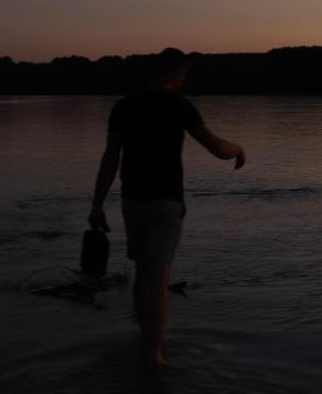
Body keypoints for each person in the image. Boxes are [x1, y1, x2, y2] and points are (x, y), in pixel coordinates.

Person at [88, 47, 247, 369]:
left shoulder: (124, 106)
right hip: (166, 201)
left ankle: (144, 339)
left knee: (143, 273)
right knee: (159, 278)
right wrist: (239, 149)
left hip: (132, 201)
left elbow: (110, 158)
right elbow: (217, 148)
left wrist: (97, 204)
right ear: (177, 74)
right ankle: (153, 354)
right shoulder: (179, 105)